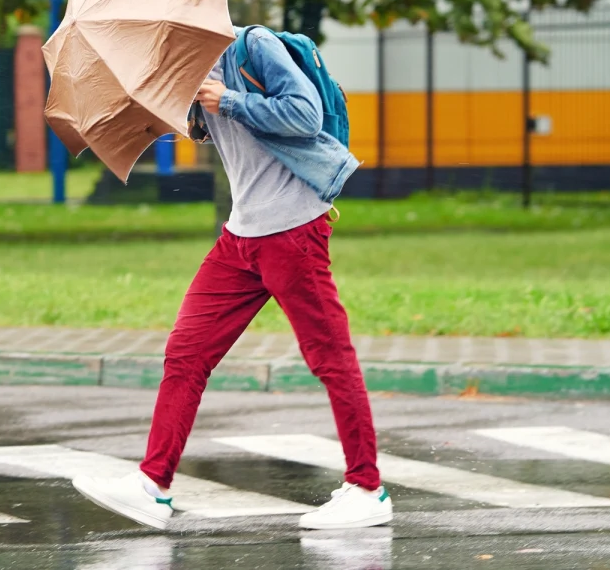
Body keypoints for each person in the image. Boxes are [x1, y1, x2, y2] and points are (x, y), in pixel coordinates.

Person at [73, 27, 391, 531]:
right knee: (186, 353)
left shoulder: (253, 46)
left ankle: (367, 489)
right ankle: (152, 486)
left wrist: (229, 100)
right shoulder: (189, 68)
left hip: (292, 232)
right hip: (241, 238)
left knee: (329, 355)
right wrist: (177, 111)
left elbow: (305, 115)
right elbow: (213, 131)